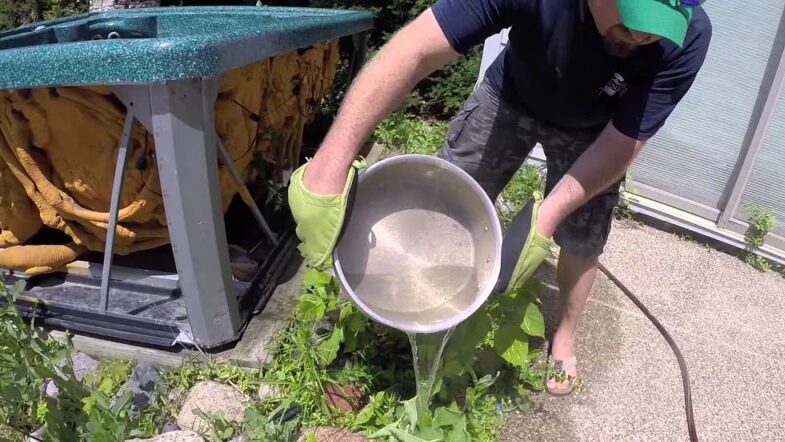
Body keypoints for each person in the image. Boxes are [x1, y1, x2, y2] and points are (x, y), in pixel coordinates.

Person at [288, 0, 711, 395]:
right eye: (635, 15)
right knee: (444, 198)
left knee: (583, 239)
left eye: (659, 26)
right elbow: (415, 49)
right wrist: (330, 163)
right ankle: (412, 296)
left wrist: (548, 215)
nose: (641, 37)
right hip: (510, 96)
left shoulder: (689, 38)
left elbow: (623, 141)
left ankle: (564, 331)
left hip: (595, 131)